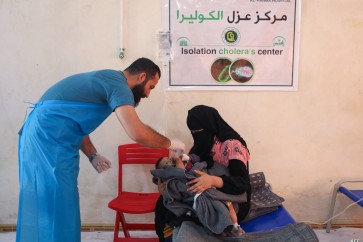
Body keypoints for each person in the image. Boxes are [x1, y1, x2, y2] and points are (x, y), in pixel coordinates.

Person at [16, 57, 185, 242]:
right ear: (142, 76)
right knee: (56, 203)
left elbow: (75, 120)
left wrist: (92, 154)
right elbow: (137, 132)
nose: (148, 94)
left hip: (46, 136)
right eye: (150, 87)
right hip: (48, 139)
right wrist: (170, 144)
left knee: (52, 201)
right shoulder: (119, 86)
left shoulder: (109, 79)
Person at [155, 105, 251, 241]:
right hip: (198, 189)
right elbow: (187, 171)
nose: (196, 135)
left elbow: (242, 184)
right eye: (192, 132)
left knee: (186, 213)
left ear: (210, 126)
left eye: (199, 131)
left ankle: (227, 227)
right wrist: (164, 186)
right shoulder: (199, 145)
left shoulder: (232, 145)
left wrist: (212, 181)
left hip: (229, 196)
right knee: (163, 202)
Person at [152, 156, 245, 237]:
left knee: (226, 204)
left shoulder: (186, 160)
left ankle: (235, 226)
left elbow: (200, 164)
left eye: (168, 159)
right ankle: (220, 228)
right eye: (165, 163)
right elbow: (180, 176)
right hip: (191, 196)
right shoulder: (170, 178)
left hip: (205, 187)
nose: (169, 161)